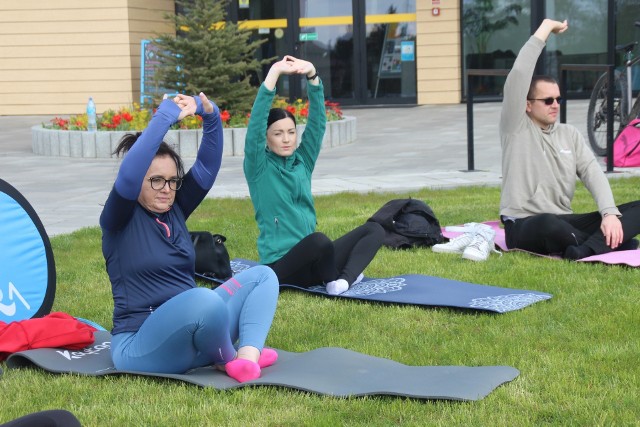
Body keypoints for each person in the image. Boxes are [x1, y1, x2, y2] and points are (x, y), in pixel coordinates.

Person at [100, 92, 279, 383]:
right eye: (156, 180)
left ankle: (247, 356)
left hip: (198, 329)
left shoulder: (175, 209)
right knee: (205, 300)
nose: (166, 188)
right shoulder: (118, 218)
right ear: (137, 184)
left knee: (263, 277)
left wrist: (209, 113)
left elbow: (207, 167)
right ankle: (225, 358)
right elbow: (130, 173)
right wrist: (166, 114)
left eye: (172, 180)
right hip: (142, 344)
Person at [500, 19, 640, 260]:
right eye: (547, 100)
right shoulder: (515, 126)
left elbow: (592, 174)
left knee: (625, 212)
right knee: (548, 225)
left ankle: (585, 249)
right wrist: (545, 28)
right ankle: (614, 243)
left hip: (564, 219)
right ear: (527, 105)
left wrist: (609, 214)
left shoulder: (569, 134)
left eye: (558, 99)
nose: (555, 105)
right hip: (525, 223)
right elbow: (520, 72)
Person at [243, 56, 384, 295]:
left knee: (375, 230)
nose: (286, 139)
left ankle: (342, 282)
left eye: (290, 132)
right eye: (278, 133)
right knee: (319, 241)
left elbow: (317, 124)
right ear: (266, 138)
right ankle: (334, 277)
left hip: (315, 261)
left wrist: (313, 77)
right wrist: (274, 74)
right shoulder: (258, 167)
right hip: (281, 266)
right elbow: (255, 124)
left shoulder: (302, 161)